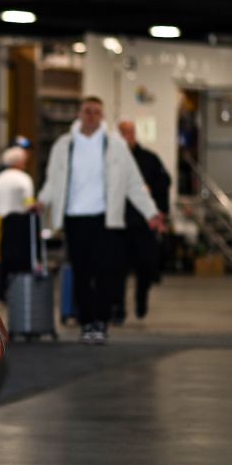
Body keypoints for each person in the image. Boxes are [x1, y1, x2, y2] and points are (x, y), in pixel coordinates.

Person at [36, 96, 165, 345]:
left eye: (96, 112)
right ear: (80, 114)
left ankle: (101, 322)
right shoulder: (64, 145)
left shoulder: (116, 146)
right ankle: (87, 323)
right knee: (82, 274)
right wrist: (42, 201)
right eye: (87, 111)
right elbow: (52, 181)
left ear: (102, 116)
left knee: (106, 273)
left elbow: (134, 184)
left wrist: (151, 213)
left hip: (106, 220)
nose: (91, 116)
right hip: (75, 218)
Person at [112, 120, 171, 322]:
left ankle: (141, 300)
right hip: (117, 224)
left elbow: (165, 183)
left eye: (128, 132)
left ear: (134, 134)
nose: (125, 136)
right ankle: (117, 308)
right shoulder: (111, 160)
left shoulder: (149, 159)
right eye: (121, 132)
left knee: (145, 265)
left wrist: (161, 213)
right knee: (116, 268)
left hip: (143, 223)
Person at [0, 146, 35, 302]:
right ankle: (23, 291)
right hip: (21, 222)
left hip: (4, 223)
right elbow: (29, 203)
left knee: (5, 259)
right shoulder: (23, 178)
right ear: (18, 162)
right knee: (23, 259)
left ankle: (2, 293)